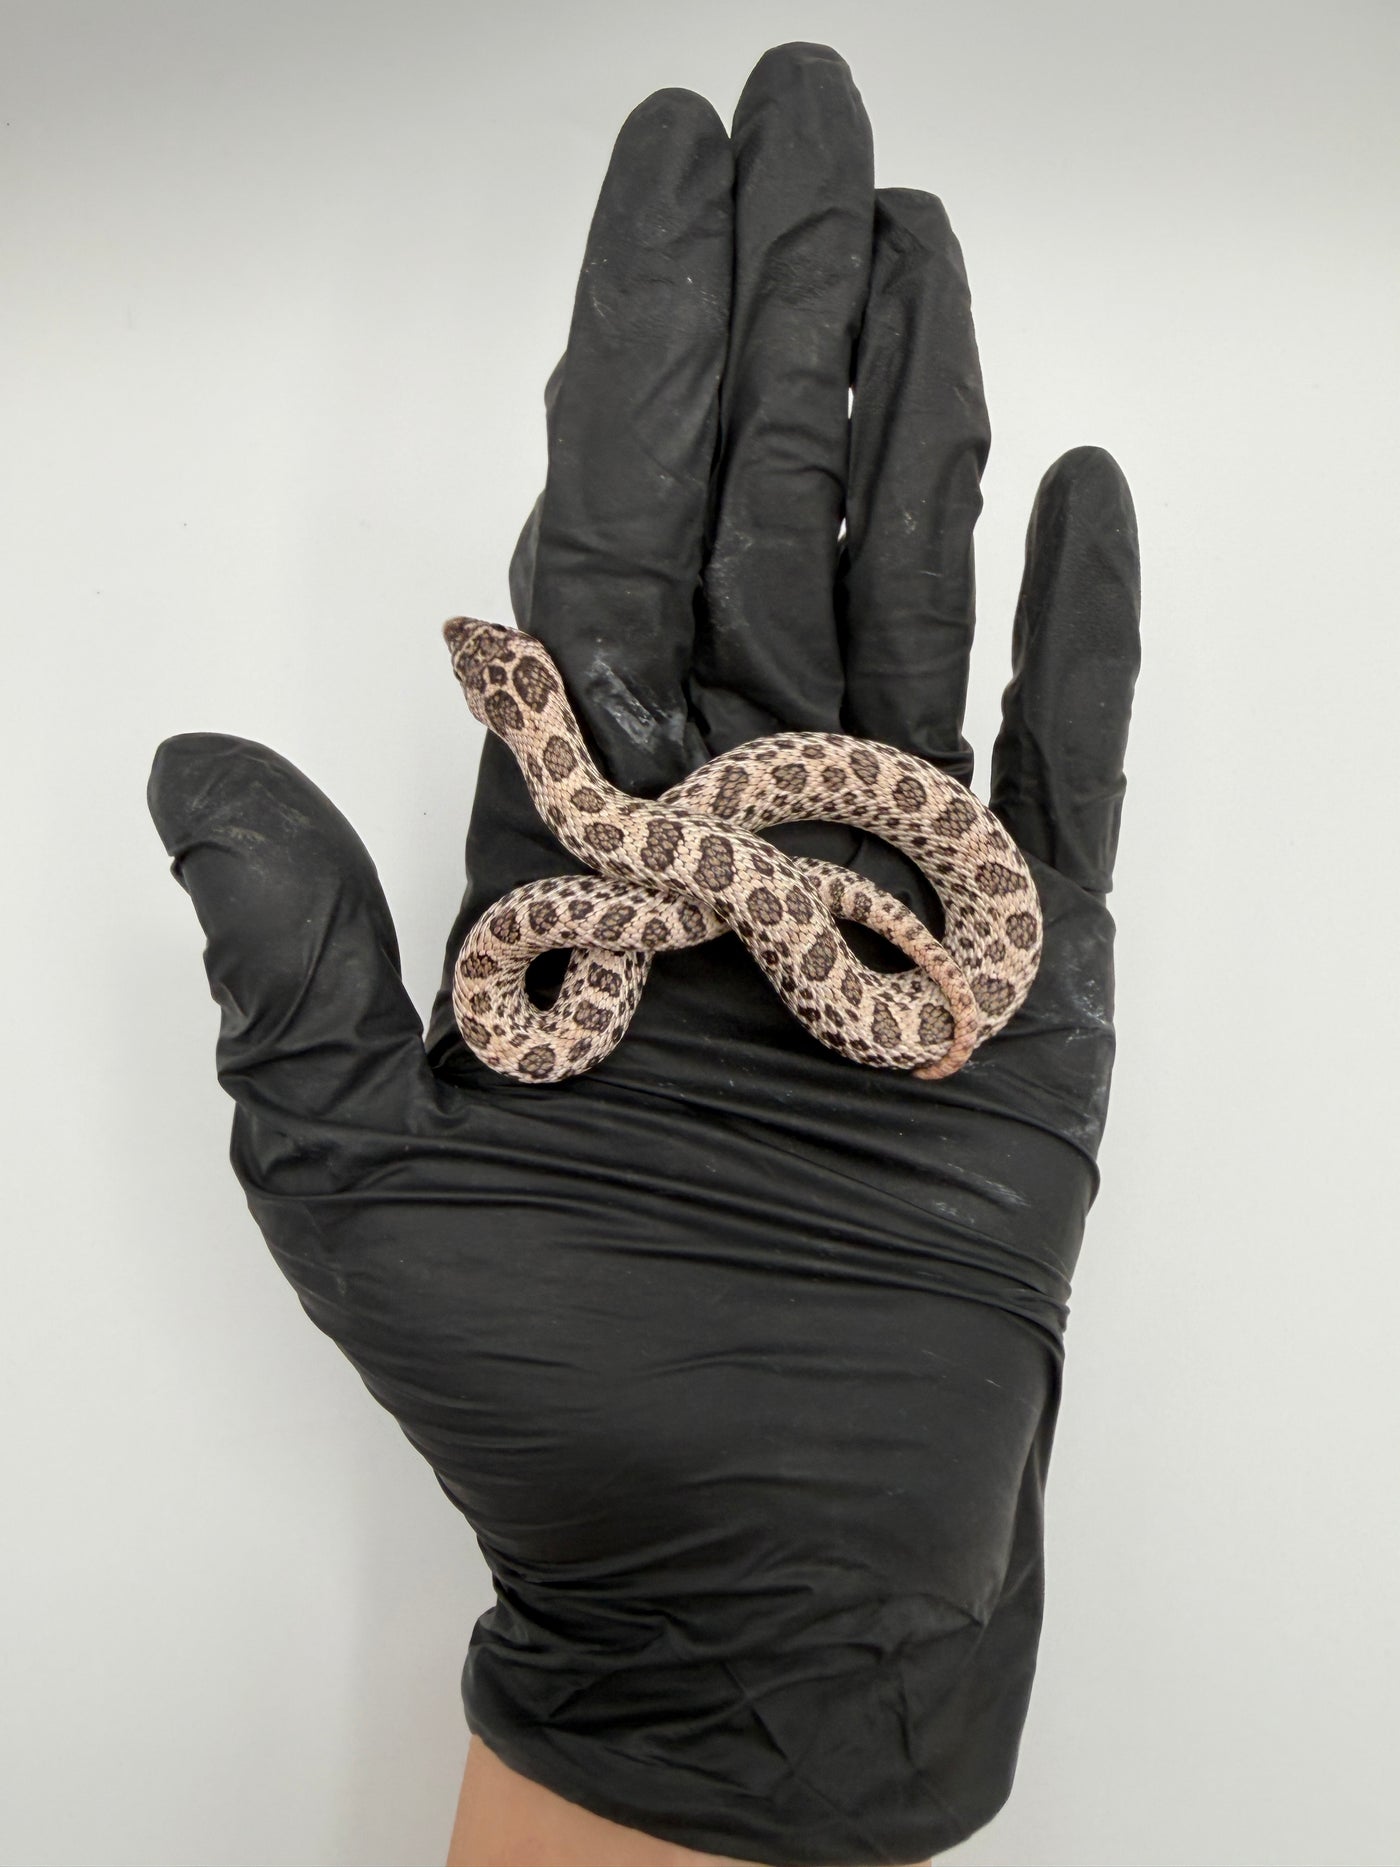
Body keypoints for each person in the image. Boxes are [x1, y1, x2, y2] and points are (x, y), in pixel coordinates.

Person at [148, 40, 1141, 1867]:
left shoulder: (629, 849)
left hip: (756, 916)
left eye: (499, 677)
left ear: (521, 700)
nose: (493, 671)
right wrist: (780, 1703)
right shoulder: (600, 910)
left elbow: (686, 865)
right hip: (747, 936)